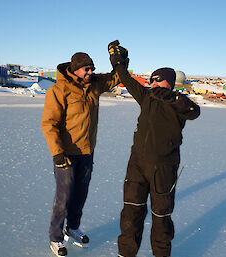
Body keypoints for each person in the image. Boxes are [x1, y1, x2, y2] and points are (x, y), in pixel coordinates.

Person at [108, 41, 200, 257]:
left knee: (161, 218)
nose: (153, 84)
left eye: (158, 81)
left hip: (163, 169)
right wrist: (118, 62)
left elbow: (194, 112)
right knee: (131, 214)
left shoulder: (180, 103)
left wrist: (172, 99)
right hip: (137, 165)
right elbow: (127, 81)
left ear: (169, 82)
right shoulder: (146, 97)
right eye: (151, 81)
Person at [41, 52, 120, 256]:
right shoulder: (58, 90)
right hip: (65, 154)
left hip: (86, 152)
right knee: (63, 196)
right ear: (75, 69)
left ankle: (73, 227)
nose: (90, 72)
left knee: (80, 194)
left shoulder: (94, 84)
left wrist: (120, 62)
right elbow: (49, 124)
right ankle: (56, 238)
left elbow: (115, 78)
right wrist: (57, 154)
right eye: (87, 69)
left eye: (92, 68)